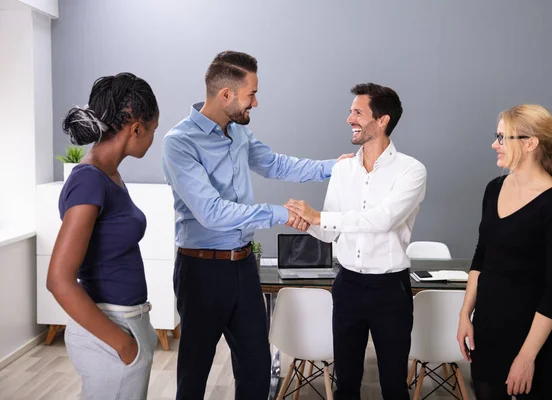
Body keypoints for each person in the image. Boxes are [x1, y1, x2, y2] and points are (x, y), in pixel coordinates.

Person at [161, 50, 353, 399]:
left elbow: (279, 165)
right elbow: (213, 213)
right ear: (226, 95)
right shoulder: (180, 143)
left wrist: (339, 167)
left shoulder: (238, 134)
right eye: (251, 94)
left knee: (256, 366)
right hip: (201, 270)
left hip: (243, 267)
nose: (256, 102)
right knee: (194, 372)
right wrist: (283, 213)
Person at [285, 83, 427, 400]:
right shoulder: (343, 169)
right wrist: (306, 222)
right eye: (351, 111)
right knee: (346, 382)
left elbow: (383, 219)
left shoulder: (411, 171)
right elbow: (331, 231)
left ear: (382, 120)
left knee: (393, 384)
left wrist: (320, 216)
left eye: (357, 112)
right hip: (347, 284)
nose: (349, 118)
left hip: (390, 289)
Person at [456, 104, 552, 399]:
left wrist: (527, 357)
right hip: (487, 333)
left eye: (503, 137)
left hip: (532, 342)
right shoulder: (494, 188)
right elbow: (481, 256)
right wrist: (465, 313)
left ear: (530, 144)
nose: (495, 144)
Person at [46, 73, 160, 400]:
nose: (153, 138)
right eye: (152, 129)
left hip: (128, 325)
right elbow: (58, 279)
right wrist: (122, 343)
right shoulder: (89, 180)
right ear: (136, 128)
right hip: (110, 333)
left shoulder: (108, 175)